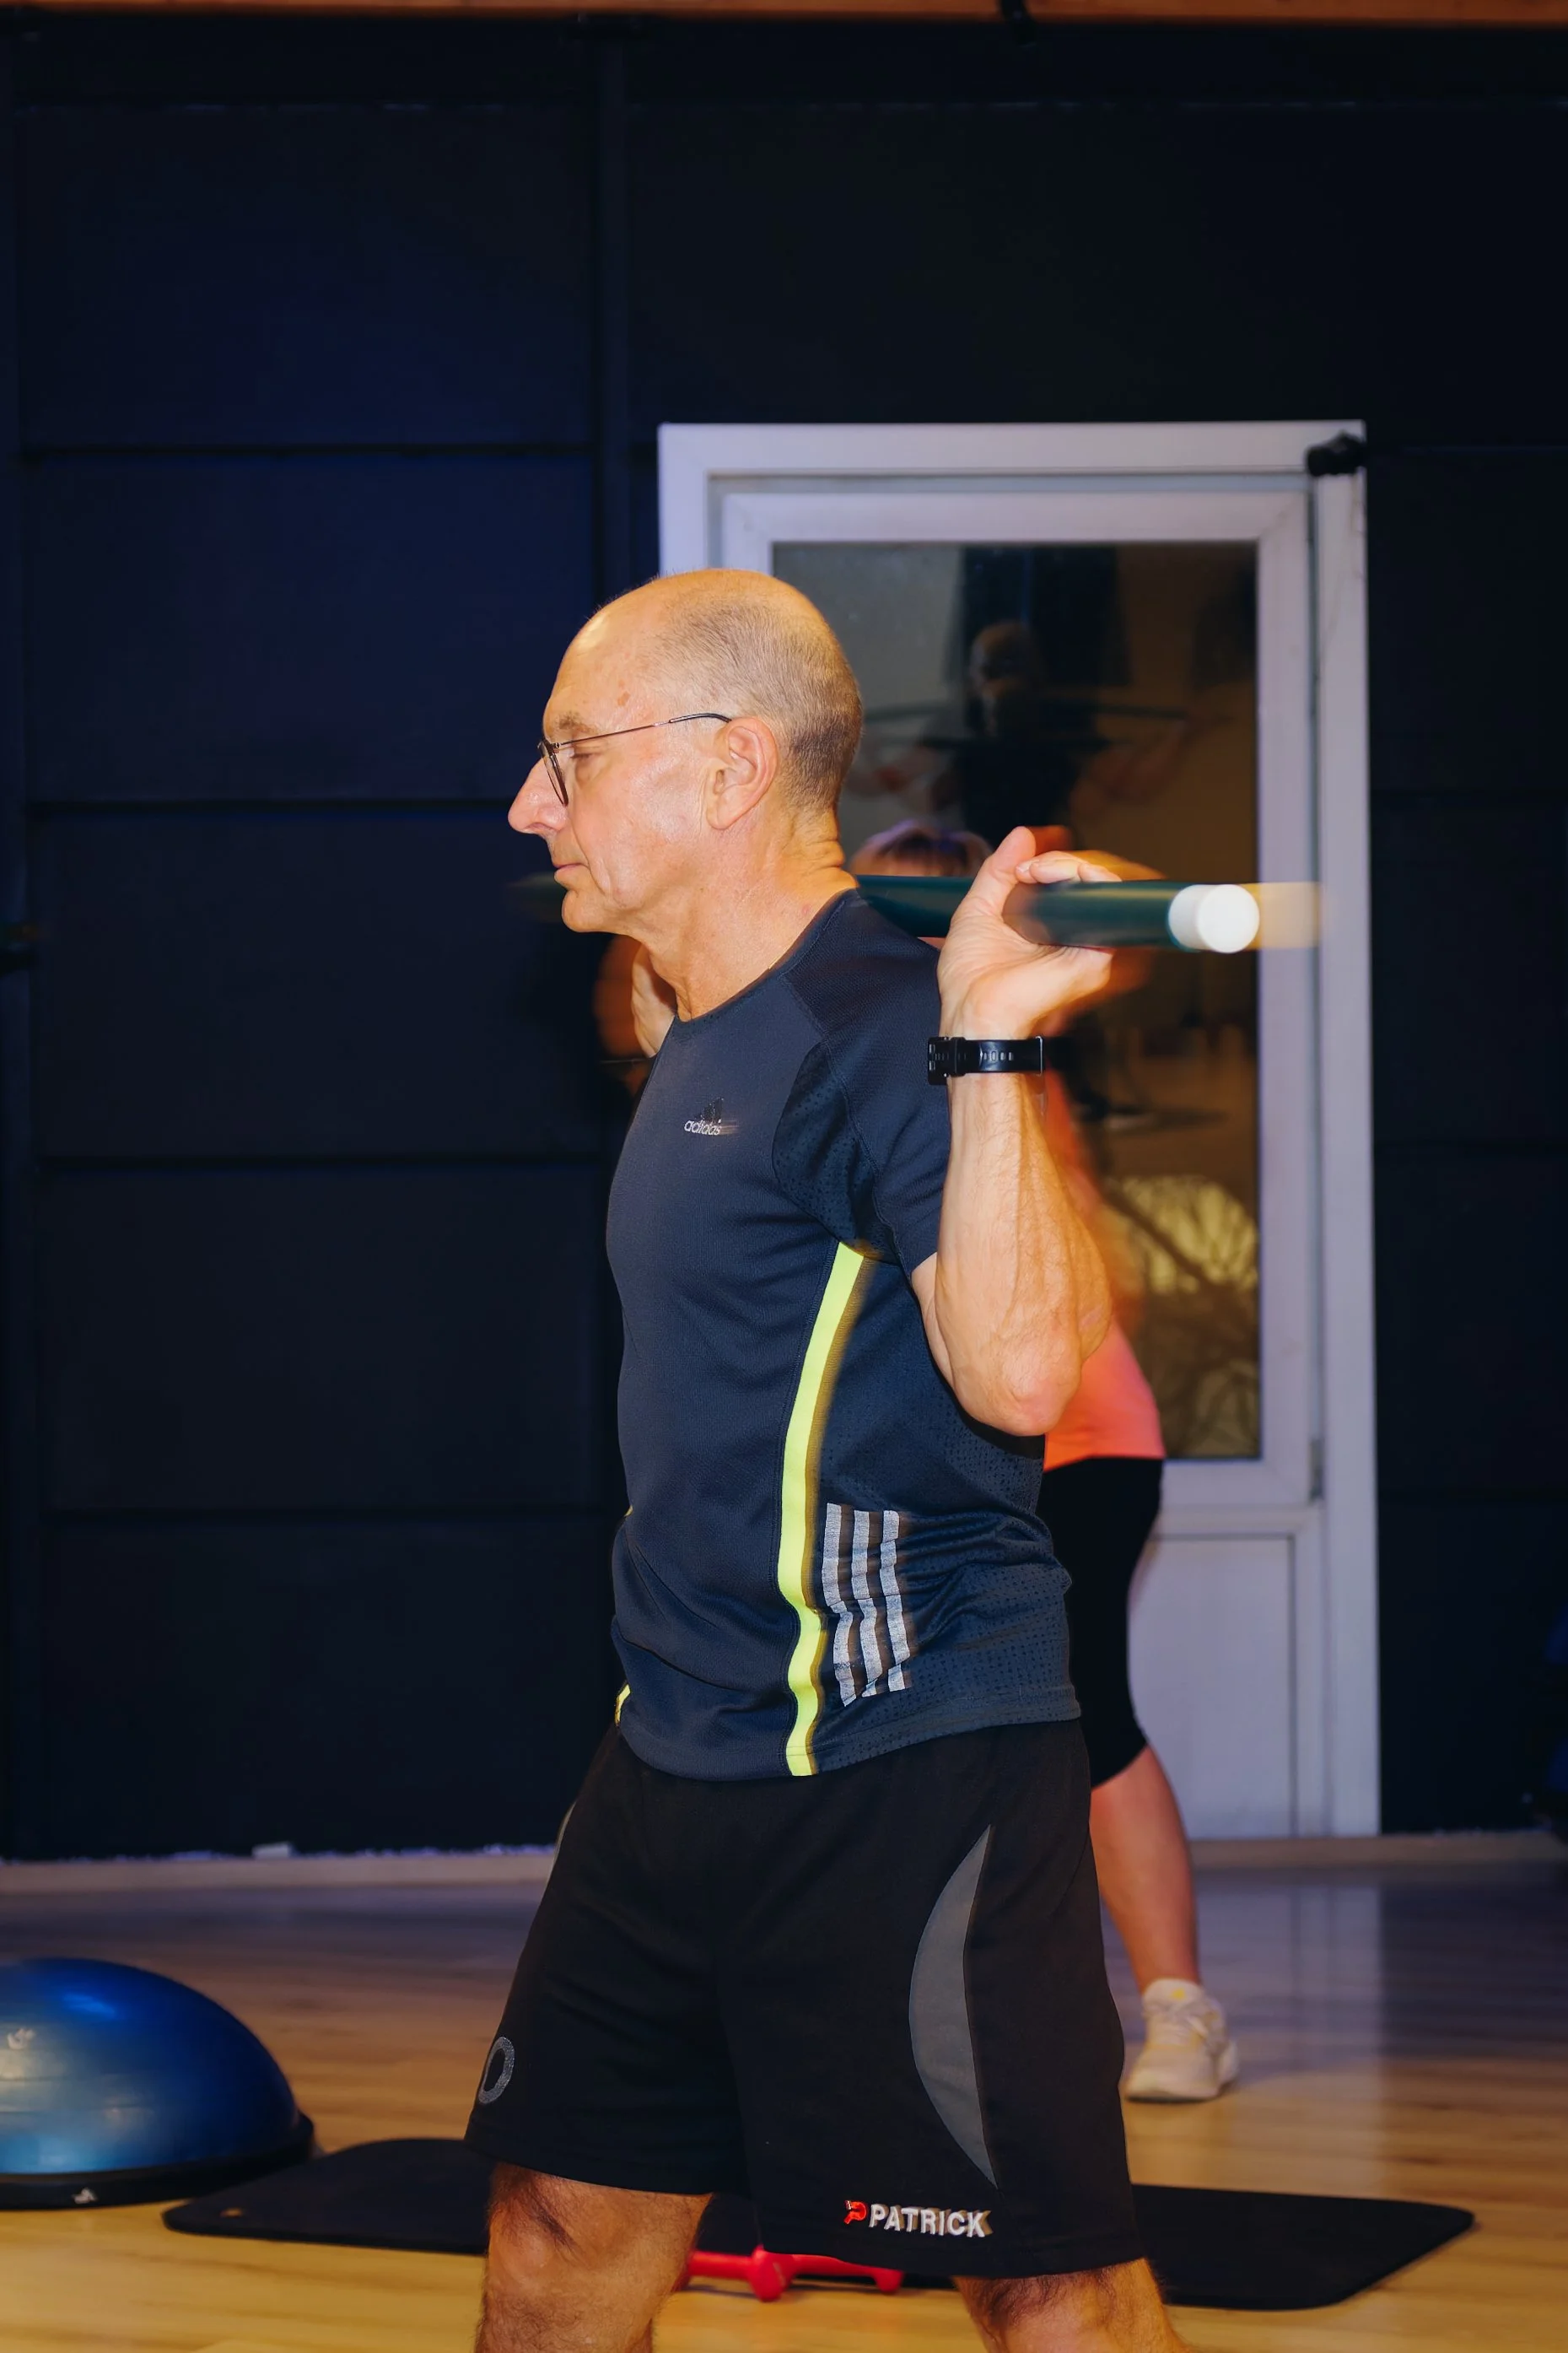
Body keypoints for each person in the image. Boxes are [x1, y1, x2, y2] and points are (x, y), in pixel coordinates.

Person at [466, 570, 1190, 2353]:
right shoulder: (697, 1016)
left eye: (569, 754)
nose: (529, 803)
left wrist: (993, 1032)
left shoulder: (889, 1031)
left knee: (1042, 2290)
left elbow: (1022, 1373)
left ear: (727, 766)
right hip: (669, 1751)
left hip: (900, 1761)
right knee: (559, 2224)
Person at [850, 824, 1237, 2104]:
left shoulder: (1008, 1009)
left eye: (939, 915)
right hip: (926, 1440)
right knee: (909, 1718)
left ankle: (1180, 2010)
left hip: (1078, 1433)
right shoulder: (846, 1039)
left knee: (1085, 1707)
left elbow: (1138, 926)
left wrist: (1062, 890)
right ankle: (923, 2011)